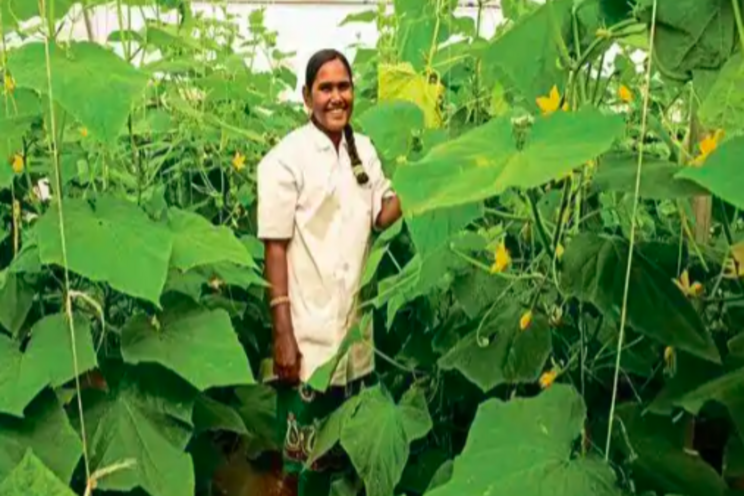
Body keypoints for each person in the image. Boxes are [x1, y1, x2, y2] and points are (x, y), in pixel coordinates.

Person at [256, 48, 402, 495]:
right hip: (308, 339)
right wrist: (283, 334)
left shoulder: (364, 151)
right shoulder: (286, 160)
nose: (336, 97)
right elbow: (275, 248)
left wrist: (425, 178)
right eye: (326, 88)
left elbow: (382, 214)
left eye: (344, 87)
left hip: (355, 337)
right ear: (306, 96)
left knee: (343, 458)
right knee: (298, 462)